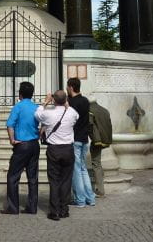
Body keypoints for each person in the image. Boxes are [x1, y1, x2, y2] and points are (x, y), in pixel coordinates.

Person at [36, 90, 79, 221]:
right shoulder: (72, 113)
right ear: (66, 100)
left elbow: (37, 114)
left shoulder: (48, 114)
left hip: (54, 149)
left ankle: (54, 211)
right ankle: (64, 210)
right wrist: (65, 103)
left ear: (54, 100)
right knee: (66, 180)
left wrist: (46, 101)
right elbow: (76, 115)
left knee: (54, 181)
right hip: (68, 149)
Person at [3, 81, 40, 215]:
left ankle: (13, 207)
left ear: (20, 94)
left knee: (13, 176)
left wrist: (12, 140)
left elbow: (10, 124)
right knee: (33, 177)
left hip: (22, 144)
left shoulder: (18, 107)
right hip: (34, 144)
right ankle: (32, 206)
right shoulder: (37, 107)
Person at [66, 77, 95, 207]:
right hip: (84, 139)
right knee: (83, 169)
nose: (66, 89)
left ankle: (80, 200)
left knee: (76, 170)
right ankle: (90, 198)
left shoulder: (72, 103)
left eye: (67, 87)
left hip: (75, 139)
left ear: (71, 87)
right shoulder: (85, 101)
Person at [88, 98, 112, 197]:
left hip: (97, 141)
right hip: (105, 139)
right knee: (98, 163)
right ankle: (100, 187)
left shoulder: (90, 110)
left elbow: (90, 126)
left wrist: (93, 138)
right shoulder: (104, 110)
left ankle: (101, 191)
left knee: (96, 164)